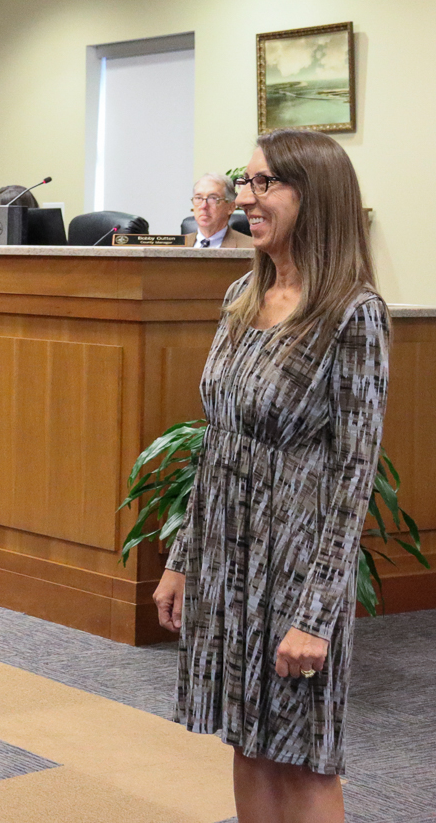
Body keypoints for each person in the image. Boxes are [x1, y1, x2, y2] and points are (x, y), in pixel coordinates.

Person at [153, 129, 388, 822]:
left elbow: (353, 476)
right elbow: (216, 442)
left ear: (312, 198)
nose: (245, 199)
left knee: (303, 755)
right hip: (228, 553)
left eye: (263, 185)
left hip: (295, 562)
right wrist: (181, 559)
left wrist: (316, 615)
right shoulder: (239, 295)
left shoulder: (352, 313)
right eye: (246, 183)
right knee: (248, 741)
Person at [189, 172, 253, 248]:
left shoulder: (250, 247)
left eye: (213, 198)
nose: (203, 206)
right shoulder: (176, 245)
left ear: (231, 207)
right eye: (198, 198)